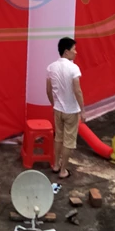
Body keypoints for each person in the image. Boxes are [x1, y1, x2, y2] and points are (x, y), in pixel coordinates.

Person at [46, 37, 84, 180]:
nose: (76, 52)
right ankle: (63, 170)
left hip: (58, 109)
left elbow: (48, 90)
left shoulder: (51, 68)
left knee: (58, 137)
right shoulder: (74, 68)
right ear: (67, 52)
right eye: (74, 49)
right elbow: (77, 91)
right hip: (71, 111)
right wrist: (83, 110)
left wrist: (54, 103)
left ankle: (56, 165)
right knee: (68, 141)